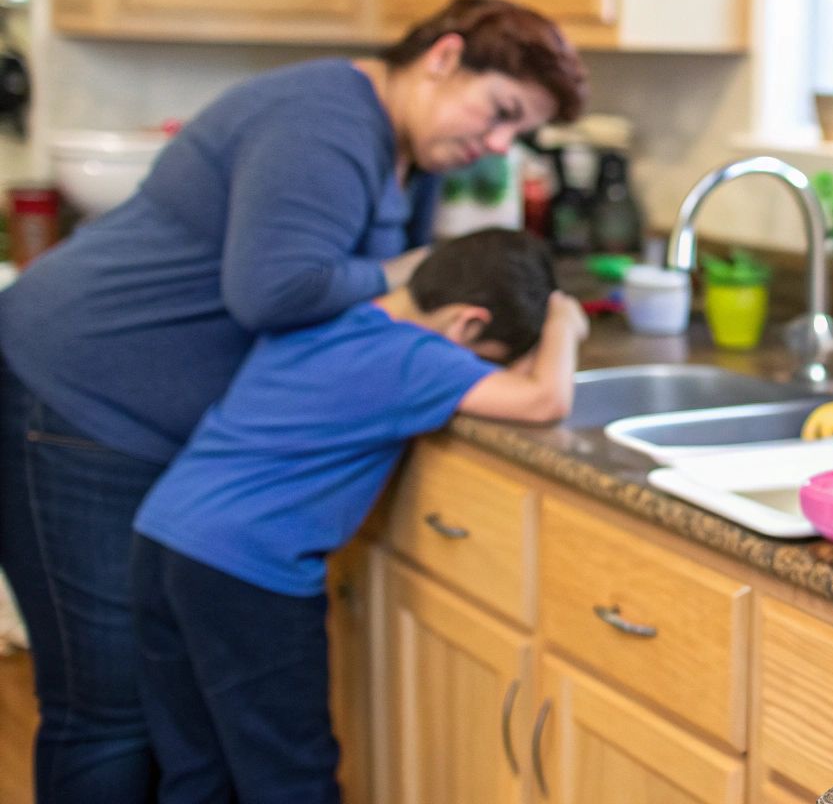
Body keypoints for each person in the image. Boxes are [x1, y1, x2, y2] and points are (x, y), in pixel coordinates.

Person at [0, 0, 586, 801]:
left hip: (176, 444)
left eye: (518, 134)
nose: (497, 144)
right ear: (445, 56)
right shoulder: (324, 121)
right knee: (109, 709)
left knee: (177, 732)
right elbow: (277, 291)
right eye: (501, 113)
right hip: (76, 392)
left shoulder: (409, 156)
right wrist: (423, 267)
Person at [130, 228, 584, 803]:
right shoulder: (417, 358)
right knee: (290, 773)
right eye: (482, 360)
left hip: (163, 537)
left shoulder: (335, 318)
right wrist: (564, 324)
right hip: (247, 573)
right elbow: (545, 400)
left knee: (196, 762)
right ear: (467, 324)